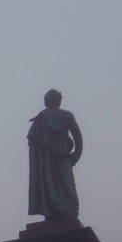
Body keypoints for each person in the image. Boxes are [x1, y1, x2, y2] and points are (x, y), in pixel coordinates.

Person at [28, 89, 83, 219]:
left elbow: (33, 144)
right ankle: (63, 210)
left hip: (48, 160)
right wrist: (77, 154)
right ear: (59, 100)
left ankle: (56, 209)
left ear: (46, 101)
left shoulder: (42, 117)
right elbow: (78, 137)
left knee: (52, 183)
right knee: (67, 184)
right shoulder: (66, 115)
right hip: (60, 157)